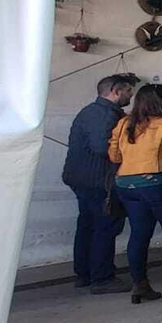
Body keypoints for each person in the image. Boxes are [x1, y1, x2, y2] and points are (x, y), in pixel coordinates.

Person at [107, 83, 162, 303]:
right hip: (161, 183)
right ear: (160, 101)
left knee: (139, 234)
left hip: (127, 185)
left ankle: (140, 285)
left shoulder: (124, 123)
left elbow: (115, 156)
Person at [62, 72, 135, 294]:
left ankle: (84, 273)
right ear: (116, 91)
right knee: (105, 226)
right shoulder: (105, 116)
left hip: (82, 178)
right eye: (128, 91)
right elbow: (102, 148)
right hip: (98, 180)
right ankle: (102, 278)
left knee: (88, 225)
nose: (130, 95)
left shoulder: (92, 111)